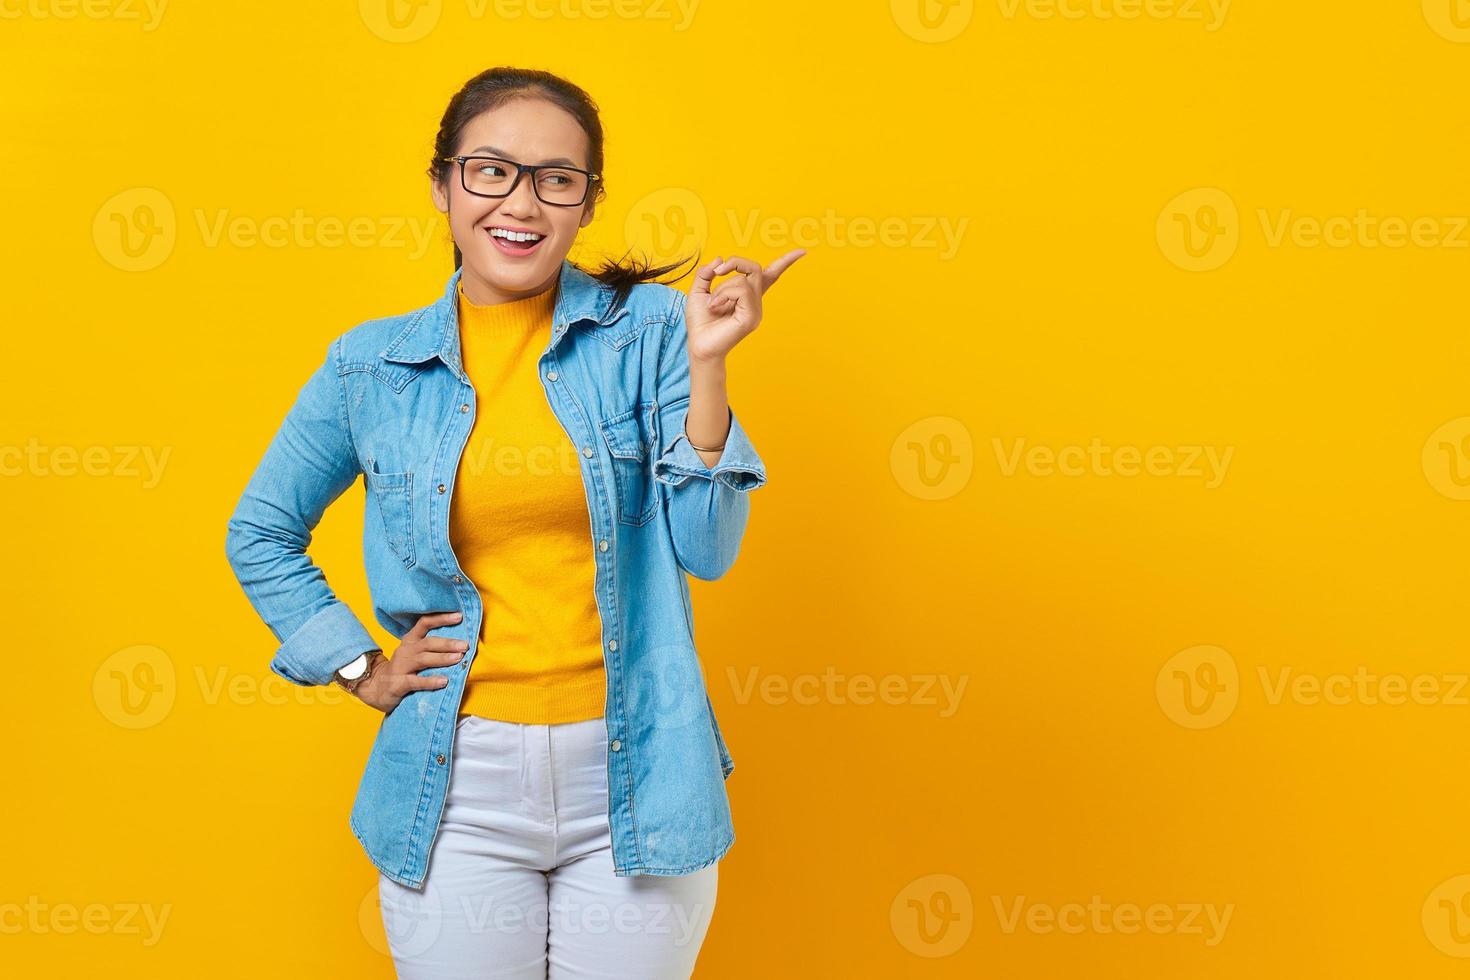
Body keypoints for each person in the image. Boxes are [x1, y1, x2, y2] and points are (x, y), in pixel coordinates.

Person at [224, 65, 803, 979]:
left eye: (556, 179)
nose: (520, 202)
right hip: (457, 782)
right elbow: (260, 530)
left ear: (585, 204)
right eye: (491, 170)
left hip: (640, 771)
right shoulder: (369, 366)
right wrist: (356, 665)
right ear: (443, 185)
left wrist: (709, 368)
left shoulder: (651, 330)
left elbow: (709, 549)